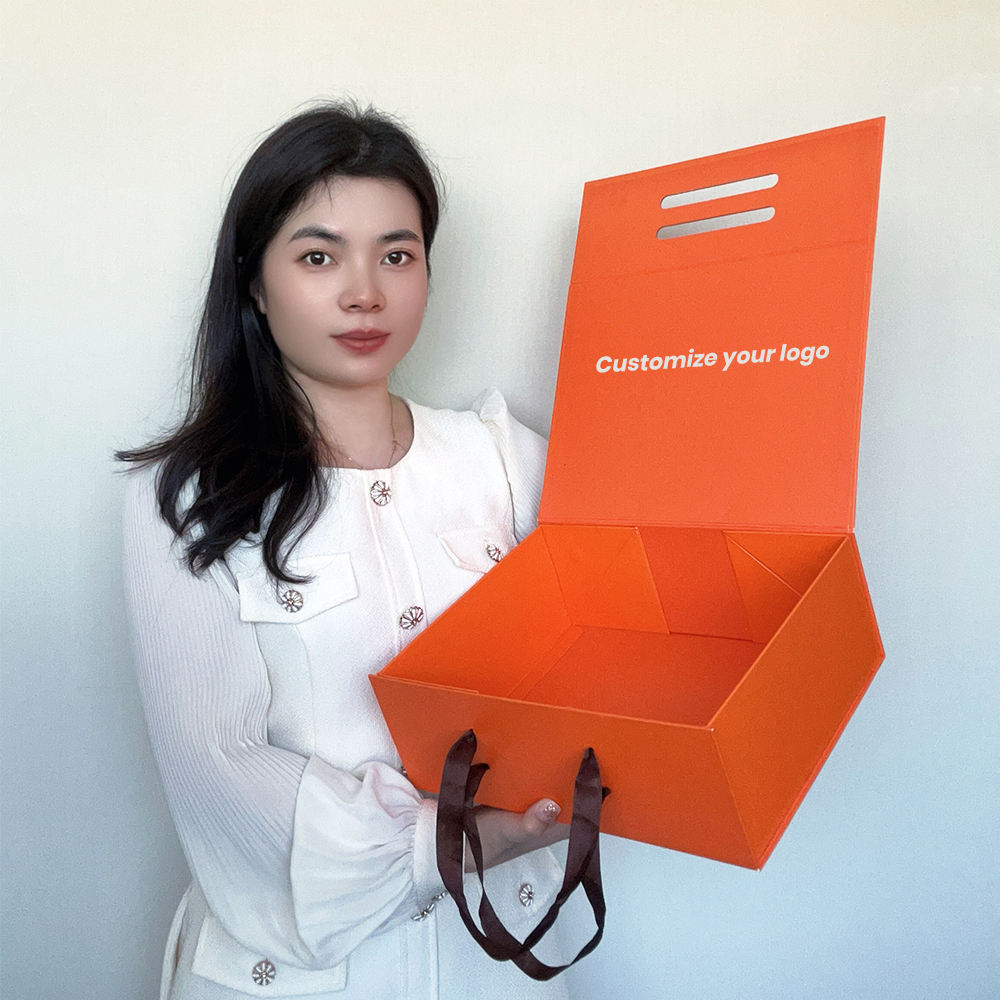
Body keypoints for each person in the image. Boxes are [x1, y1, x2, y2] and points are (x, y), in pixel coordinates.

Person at [120, 103, 576, 1000]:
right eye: (319, 257)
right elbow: (216, 766)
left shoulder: (506, 460)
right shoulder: (184, 497)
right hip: (296, 974)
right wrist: (448, 842)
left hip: (498, 959)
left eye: (396, 255)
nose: (365, 293)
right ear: (255, 283)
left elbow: (618, 650)